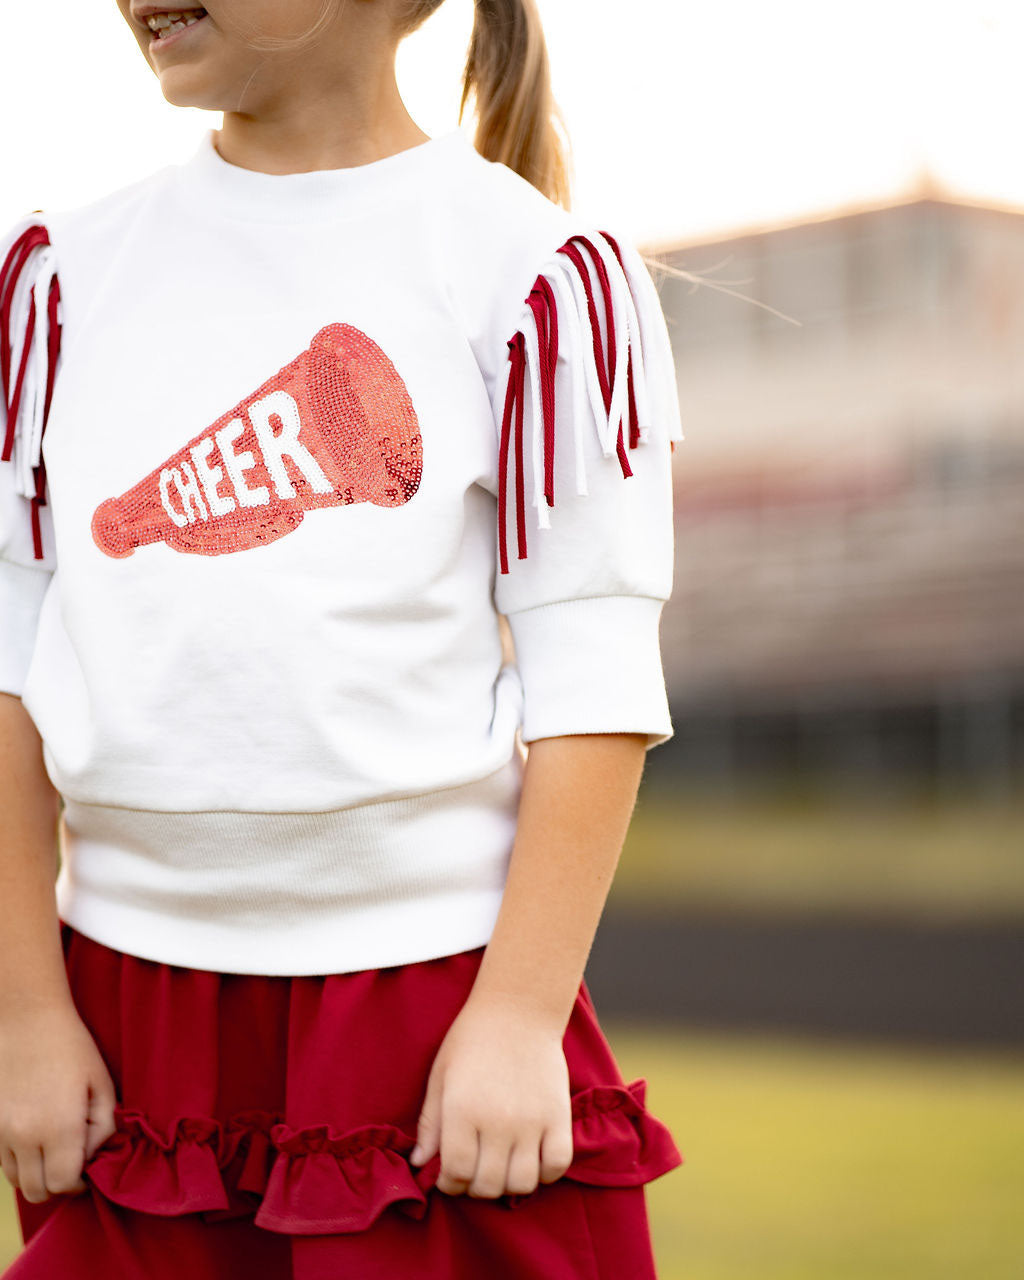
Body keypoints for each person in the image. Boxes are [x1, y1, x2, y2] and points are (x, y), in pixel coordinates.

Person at [0, 0, 686, 1275]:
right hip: (123, 1018)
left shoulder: (542, 272)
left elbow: (591, 674)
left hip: (431, 1015)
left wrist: (519, 1016)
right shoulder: (53, 273)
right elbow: (9, 658)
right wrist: (25, 1009)